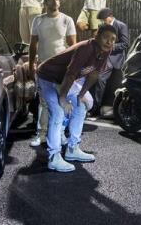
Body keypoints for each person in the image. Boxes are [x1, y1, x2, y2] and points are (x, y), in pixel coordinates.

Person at [36, 24, 116, 172]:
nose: (109, 42)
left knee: (81, 105)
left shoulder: (106, 50)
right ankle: (54, 157)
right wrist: (63, 98)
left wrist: (80, 94)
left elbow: (94, 74)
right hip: (47, 76)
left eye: (113, 39)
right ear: (97, 35)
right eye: (106, 37)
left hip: (63, 80)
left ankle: (72, 149)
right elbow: (71, 74)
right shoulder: (86, 48)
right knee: (58, 112)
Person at [28, 0, 77, 147]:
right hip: (43, 67)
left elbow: (73, 47)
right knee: (43, 102)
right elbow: (33, 44)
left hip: (61, 68)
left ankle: (61, 133)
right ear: (45, 3)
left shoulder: (66, 20)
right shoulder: (38, 20)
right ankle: (41, 135)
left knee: (62, 100)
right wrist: (31, 64)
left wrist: (73, 68)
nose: (55, 1)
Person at [89, 8, 130, 117]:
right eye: (101, 20)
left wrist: (110, 47)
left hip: (115, 60)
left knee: (100, 80)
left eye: (103, 19)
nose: (102, 22)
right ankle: (94, 108)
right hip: (102, 58)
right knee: (97, 80)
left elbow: (125, 44)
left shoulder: (121, 26)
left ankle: (95, 109)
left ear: (110, 16)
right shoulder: (102, 27)